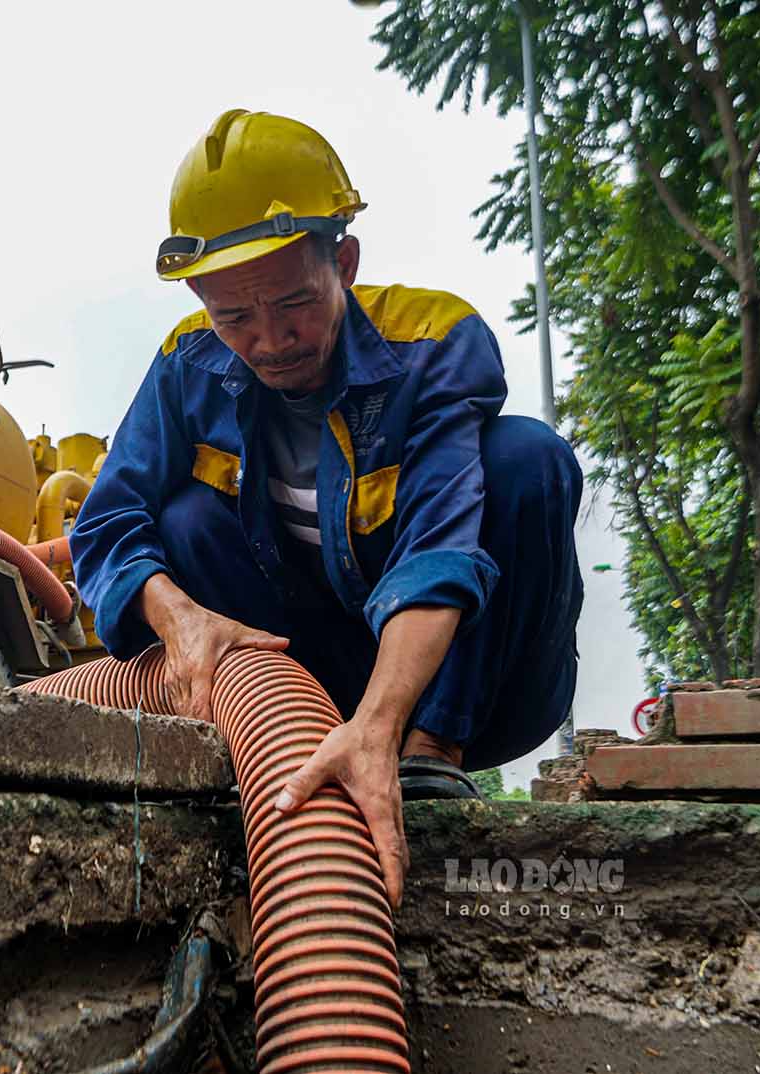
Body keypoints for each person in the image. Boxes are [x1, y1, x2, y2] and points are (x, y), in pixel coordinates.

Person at [69, 109, 583, 909]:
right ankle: (270, 757)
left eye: (292, 302)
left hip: (466, 681)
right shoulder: (184, 363)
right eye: (233, 315)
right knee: (181, 523)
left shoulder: (434, 341)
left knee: (525, 457)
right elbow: (104, 523)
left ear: (341, 260)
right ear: (200, 296)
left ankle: (424, 758)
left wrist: (382, 724)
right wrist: (178, 617)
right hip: (298, 683)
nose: (270, 339)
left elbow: (439, 547)